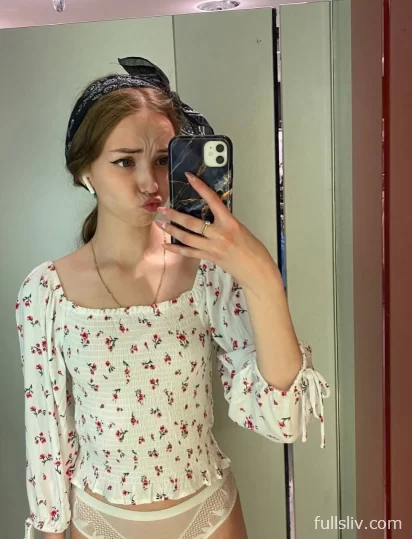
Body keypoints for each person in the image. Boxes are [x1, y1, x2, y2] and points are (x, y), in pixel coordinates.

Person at [15, 57, 330, 539]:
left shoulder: (207, 272)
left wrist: (261, 275)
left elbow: (282, 420)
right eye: (125, 161)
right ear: (84, 171)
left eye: (163, 160)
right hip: (98, 523)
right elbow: (47, 436)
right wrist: (51, 527)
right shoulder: (46, 294)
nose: (149, 182)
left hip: (210, 516)